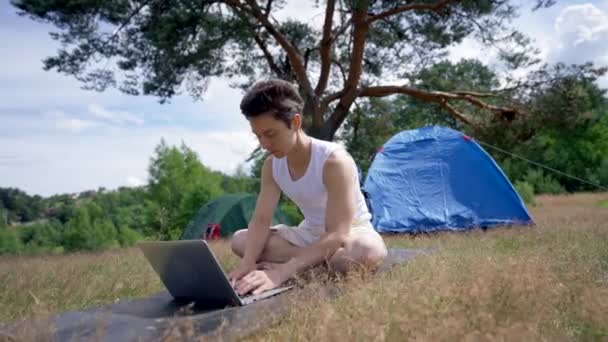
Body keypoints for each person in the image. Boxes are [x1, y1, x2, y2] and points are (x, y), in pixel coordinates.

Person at [228, 79, 388, 296]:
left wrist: (281, 272)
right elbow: (261, 220)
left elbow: (337, 234)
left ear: (295, 122)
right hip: (308, 234)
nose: (264, 144)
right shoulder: (271, 165)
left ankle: (301, 266)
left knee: (368, 251)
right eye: (258, 136)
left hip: (350, 234)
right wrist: (247, 263)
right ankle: (315, 264)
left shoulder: (334, 161)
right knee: (240, 240)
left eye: (271, 134)